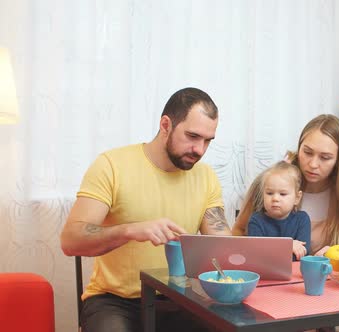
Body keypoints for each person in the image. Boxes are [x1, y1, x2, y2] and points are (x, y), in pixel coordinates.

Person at [60, 87, 232, 332]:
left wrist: (268, 250)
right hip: (114, 301)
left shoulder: (206, 177)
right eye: (193, 136)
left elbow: (223, 245)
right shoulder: (111, 165)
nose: (200, 150)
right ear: (165, 125)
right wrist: (130, 230)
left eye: (207, 141)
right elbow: (71, 241)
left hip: (179, 298)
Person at [233, 114, 339, 255]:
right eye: (308, 152)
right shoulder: (270, 185)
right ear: (299, 147)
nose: (313, 164)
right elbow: (238, 232)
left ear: (338, 161)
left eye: (325, 157)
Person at [246, 161, 311, 260]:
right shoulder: (256, 220)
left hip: (294, 272)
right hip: (265, 272)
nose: (275, 198)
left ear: (297, 198)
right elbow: (256, 253)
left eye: (283, 194)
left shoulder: (302, 219)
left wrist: (270, 249)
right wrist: (288, 246)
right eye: (269, 193)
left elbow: (302, 253)